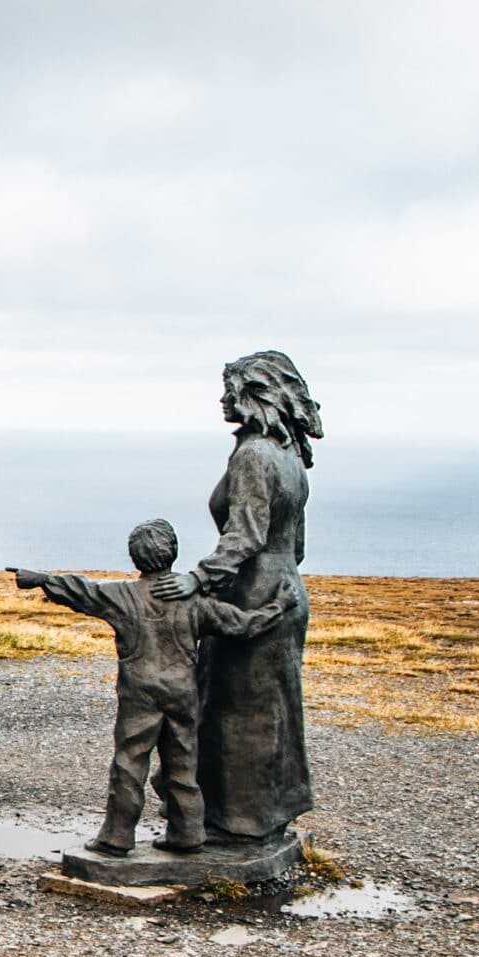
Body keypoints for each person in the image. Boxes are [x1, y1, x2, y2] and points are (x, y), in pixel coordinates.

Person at [17, 518, 296, 856]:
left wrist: (41, 580)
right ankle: (188, 832)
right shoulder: (192, 600)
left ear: (135, 558)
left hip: (140, 692)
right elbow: (242, 624)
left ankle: (117, 836)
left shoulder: (120, 595)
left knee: (130, 761)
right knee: (183, 761)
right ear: (173, 554)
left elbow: (81, 590)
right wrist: (279, 606)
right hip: (182, 692)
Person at [151, 351, 323, 841]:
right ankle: (267, 814)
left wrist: (199, 580)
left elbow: (245, 534)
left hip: (250, 596)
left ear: (256, 394)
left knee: (233, 710)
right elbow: (298, 544)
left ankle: (234, 822)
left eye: (231, 389)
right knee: (272, 711)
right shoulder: (291, 458)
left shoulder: (252, 455)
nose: (224, 398)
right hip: (287, 590)